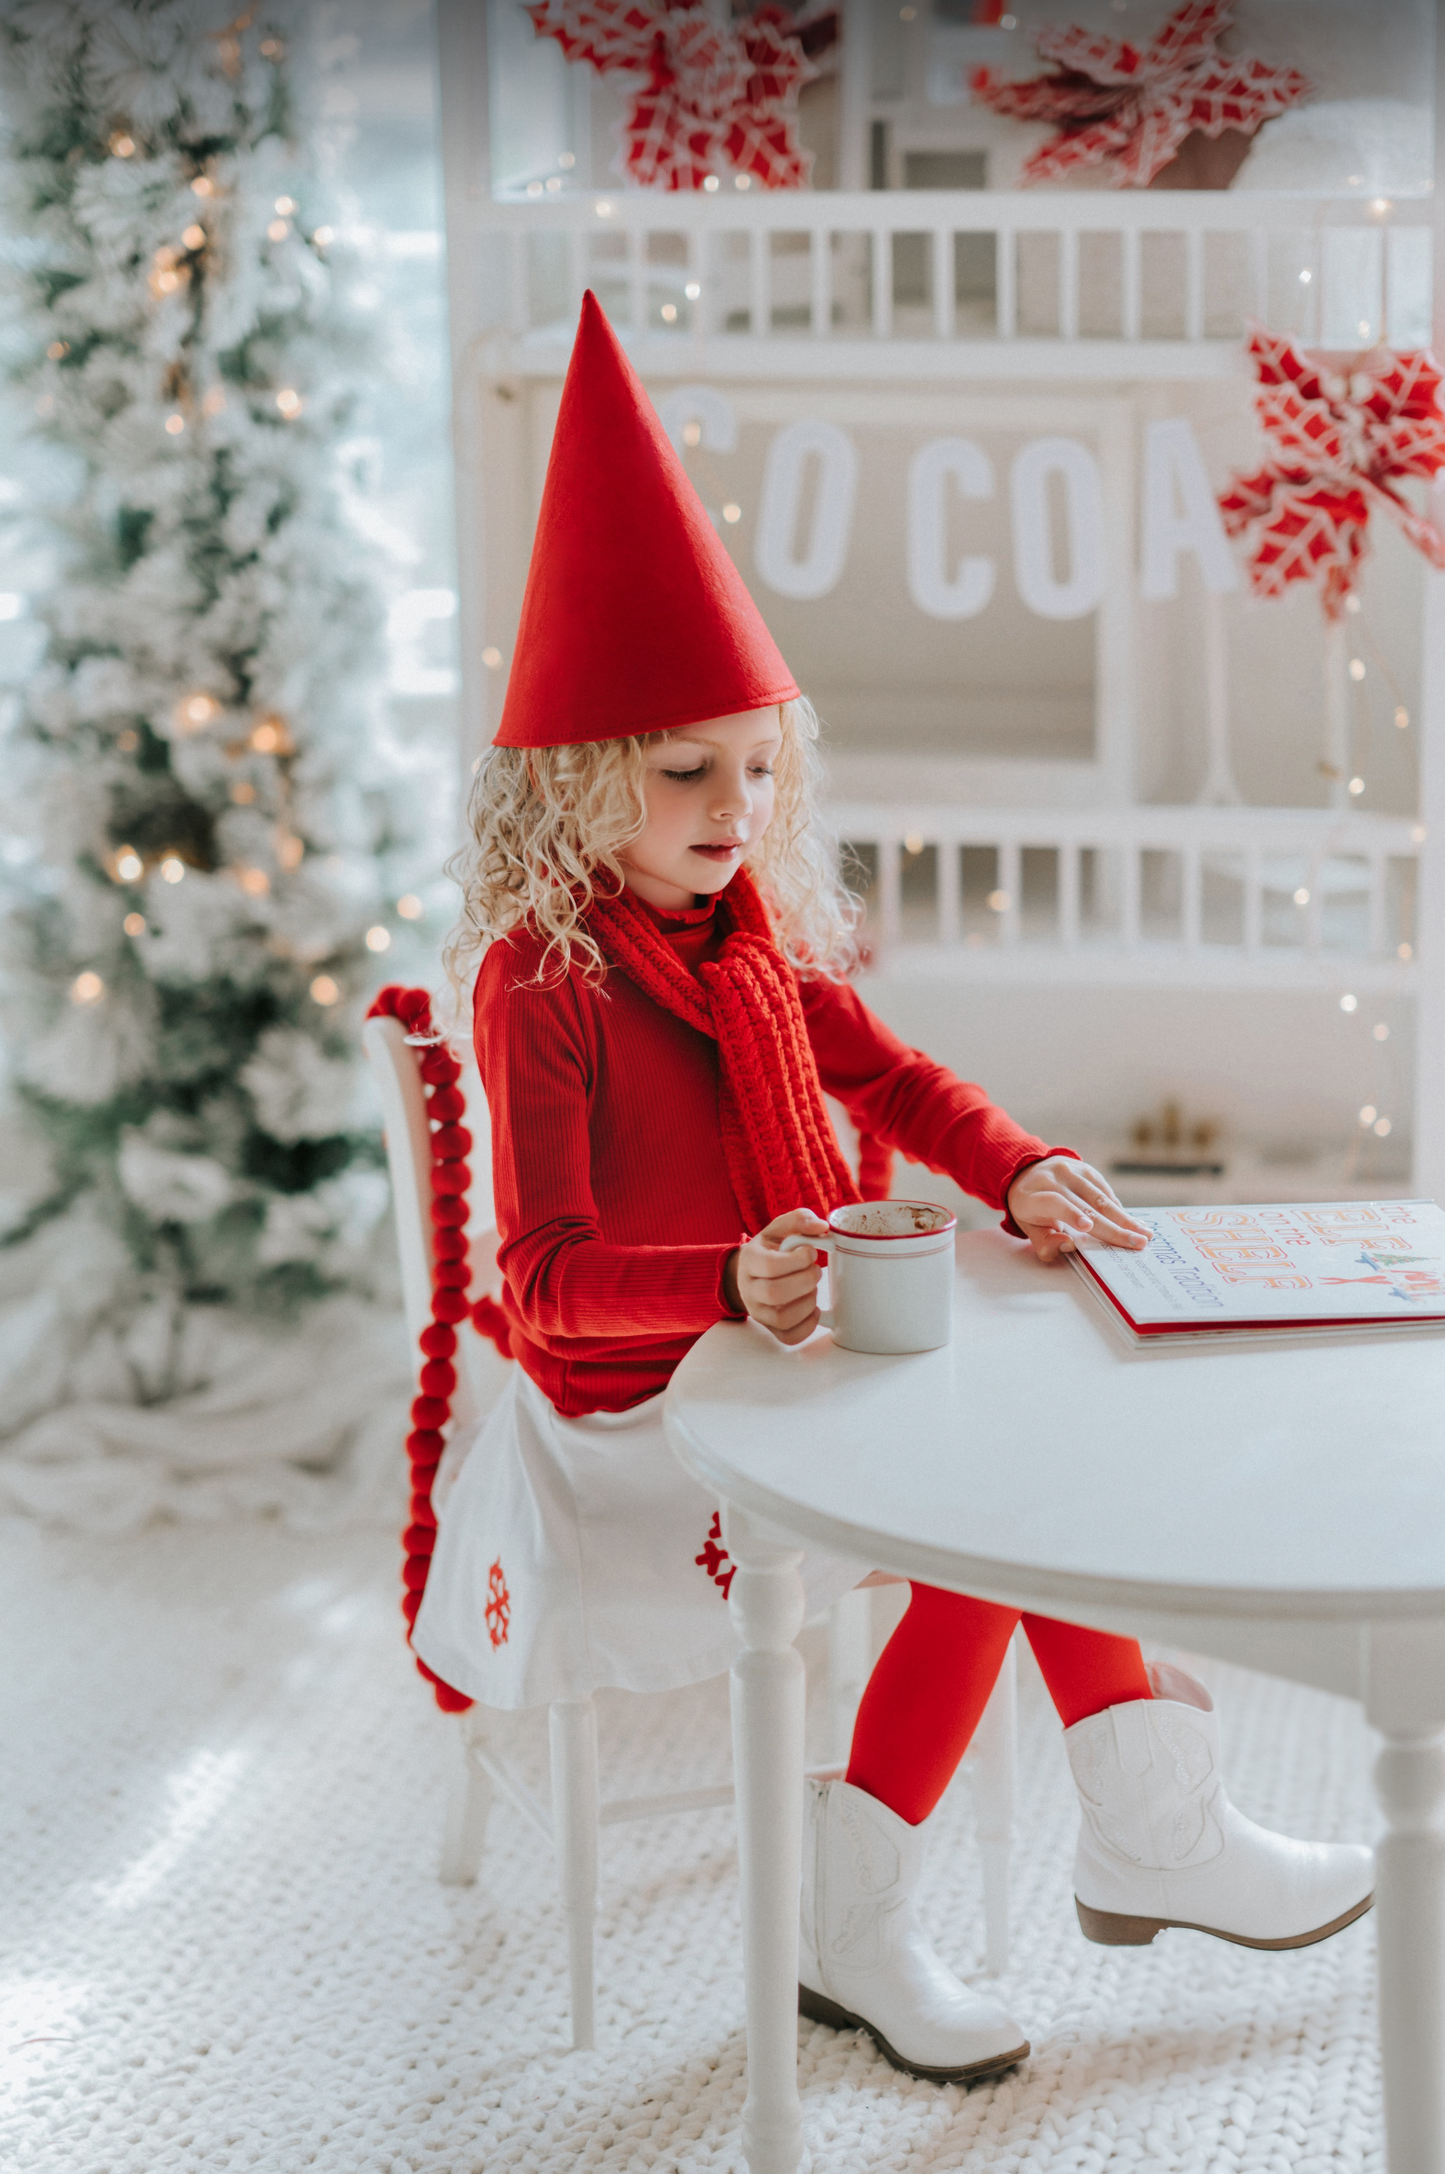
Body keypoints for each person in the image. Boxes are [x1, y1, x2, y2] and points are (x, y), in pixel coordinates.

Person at [414, 293, 1374, 2086]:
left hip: (769, 1339)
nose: (732, 800)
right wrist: (734, 1281)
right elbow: (541, 1282)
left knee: (1038, 1455)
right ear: (571, 785)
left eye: (758, 765)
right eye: (685, 767)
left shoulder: (745, 937)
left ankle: (1107, 1833)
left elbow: (893, 1074)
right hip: (641, 1402)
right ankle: (958, 1890)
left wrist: (1020, 1163)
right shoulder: (543, 979)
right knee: (991, 1501)